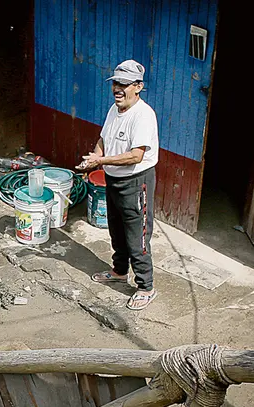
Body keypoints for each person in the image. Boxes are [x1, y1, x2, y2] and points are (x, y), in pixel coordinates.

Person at [79, 59, 159, 311]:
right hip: (113, 179)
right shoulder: (114, 109)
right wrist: (93, 159)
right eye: (115, 83)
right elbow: (103, 139)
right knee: (116, 229)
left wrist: (101, 161)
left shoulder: (143, 115)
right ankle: (119, 271)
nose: (117, 89)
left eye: (124, 84)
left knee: (137, 236)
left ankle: (146, 287)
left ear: (138, 86)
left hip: (136, 181)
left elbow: (136, 156)